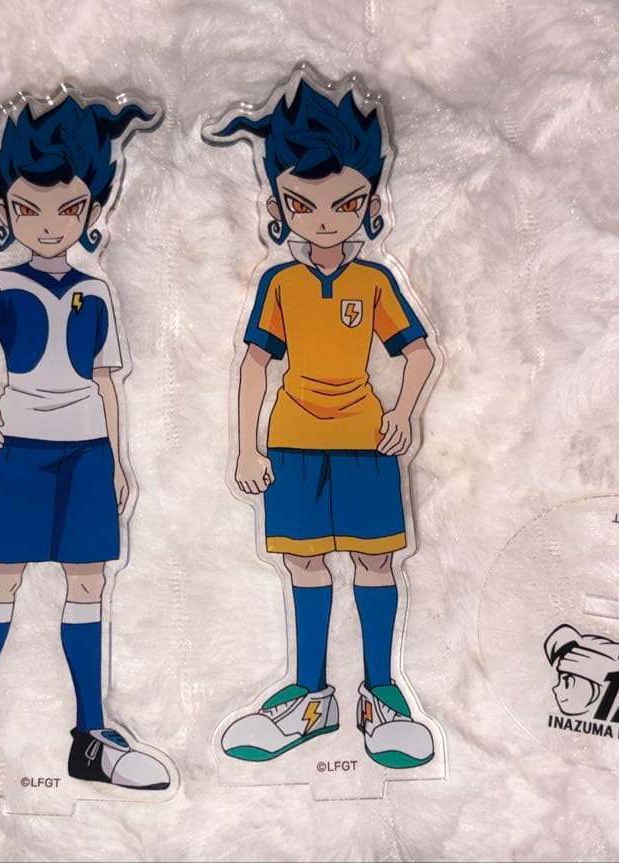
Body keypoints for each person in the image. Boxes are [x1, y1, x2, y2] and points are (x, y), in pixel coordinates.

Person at [0, 93, 168, 790]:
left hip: (87, 451)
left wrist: (118, 460)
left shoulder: (97, 292)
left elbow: (107, 381)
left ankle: (91, 736)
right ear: (4, 209)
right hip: (20, 451)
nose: (47, 224)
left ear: (91, 210)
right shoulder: (0, 285)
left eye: (67, 209)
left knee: (88, 582)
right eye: (27, 208)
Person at [205, 76, 437, 768]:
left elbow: (420, 353)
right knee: (303, 563)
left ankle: (381, 694)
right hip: (294, 443)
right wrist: (247, 447)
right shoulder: (280, 283)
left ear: (370, 202)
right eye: (303, 204)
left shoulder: (374, 282)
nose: (326, 219)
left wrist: (402, 411)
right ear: (279, 206)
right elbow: (253, 364)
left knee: (375, 559)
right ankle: (311, 695)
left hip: (367, 442)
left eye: (346, 202)